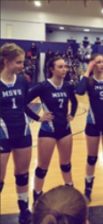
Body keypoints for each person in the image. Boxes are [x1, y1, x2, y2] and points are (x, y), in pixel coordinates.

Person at [0, 43, 52, 224]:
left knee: (22, 174)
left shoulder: (22, 81)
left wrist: (38, 119)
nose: (22, 66)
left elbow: (24, 105)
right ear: (6, 62)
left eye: (23, 62)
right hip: (2, 134)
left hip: (22, 131)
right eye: (19, 62)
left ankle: (24, 210)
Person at [26, 56, 78, 204]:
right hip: (47, 131)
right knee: (43, 167)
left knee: (66, 164)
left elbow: (74, 102)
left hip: (65, 130)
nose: (64, 69)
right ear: (51, 69)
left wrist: (72, 114)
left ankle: (70, 192)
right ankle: (37, 195)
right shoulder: (43, 86)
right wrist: (37, 118)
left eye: (65, 67)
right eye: (61, 67)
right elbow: (23, 102)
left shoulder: (67, 86)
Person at [76, 53, 103, 205]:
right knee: (92, 158)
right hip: (92, 123)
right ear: (93, 64)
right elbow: (80, 91)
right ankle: (88, 189)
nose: (102, 65)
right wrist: (87, 70)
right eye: (99, 62)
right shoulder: (88, 81)